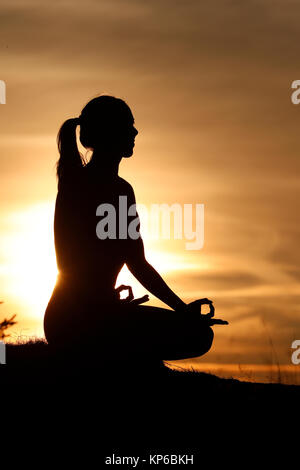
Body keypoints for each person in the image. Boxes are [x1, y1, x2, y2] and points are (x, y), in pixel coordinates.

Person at [43, 94, 227, 368]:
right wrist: (182, 310)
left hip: (74, 318)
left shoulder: (97, 185)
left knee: (197, 334)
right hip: (81, 321)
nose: (135, 131)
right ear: (110, 132)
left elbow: (129, 261)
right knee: (198, 335)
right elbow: (135, 263)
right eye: (128, 125)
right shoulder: (100, 187)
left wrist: (180, 309)